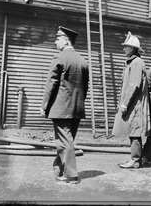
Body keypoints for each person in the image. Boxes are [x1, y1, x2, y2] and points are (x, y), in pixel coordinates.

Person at [40, 26, 89, 184]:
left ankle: (71, 175)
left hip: (61, 109)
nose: (55, 42)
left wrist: (44, 106)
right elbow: (85, 87)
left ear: (66, 40)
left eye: (57, 38)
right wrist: (79, 103)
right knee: (67, 141)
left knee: (64, 141)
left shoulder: (59, 58)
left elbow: (51, 85)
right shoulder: (83, 61)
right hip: (77, 109)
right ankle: (59, 170)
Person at [112, 31, 150, 169]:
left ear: (132, 49)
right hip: (133, 103)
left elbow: (134, 85)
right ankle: (135, 159)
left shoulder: (136, 63)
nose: (123, 49)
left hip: (135, 104)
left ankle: (135, 160)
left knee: (135, 132)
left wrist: (125, 103)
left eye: (126, 47)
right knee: (133, 132)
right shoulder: (132, 62)